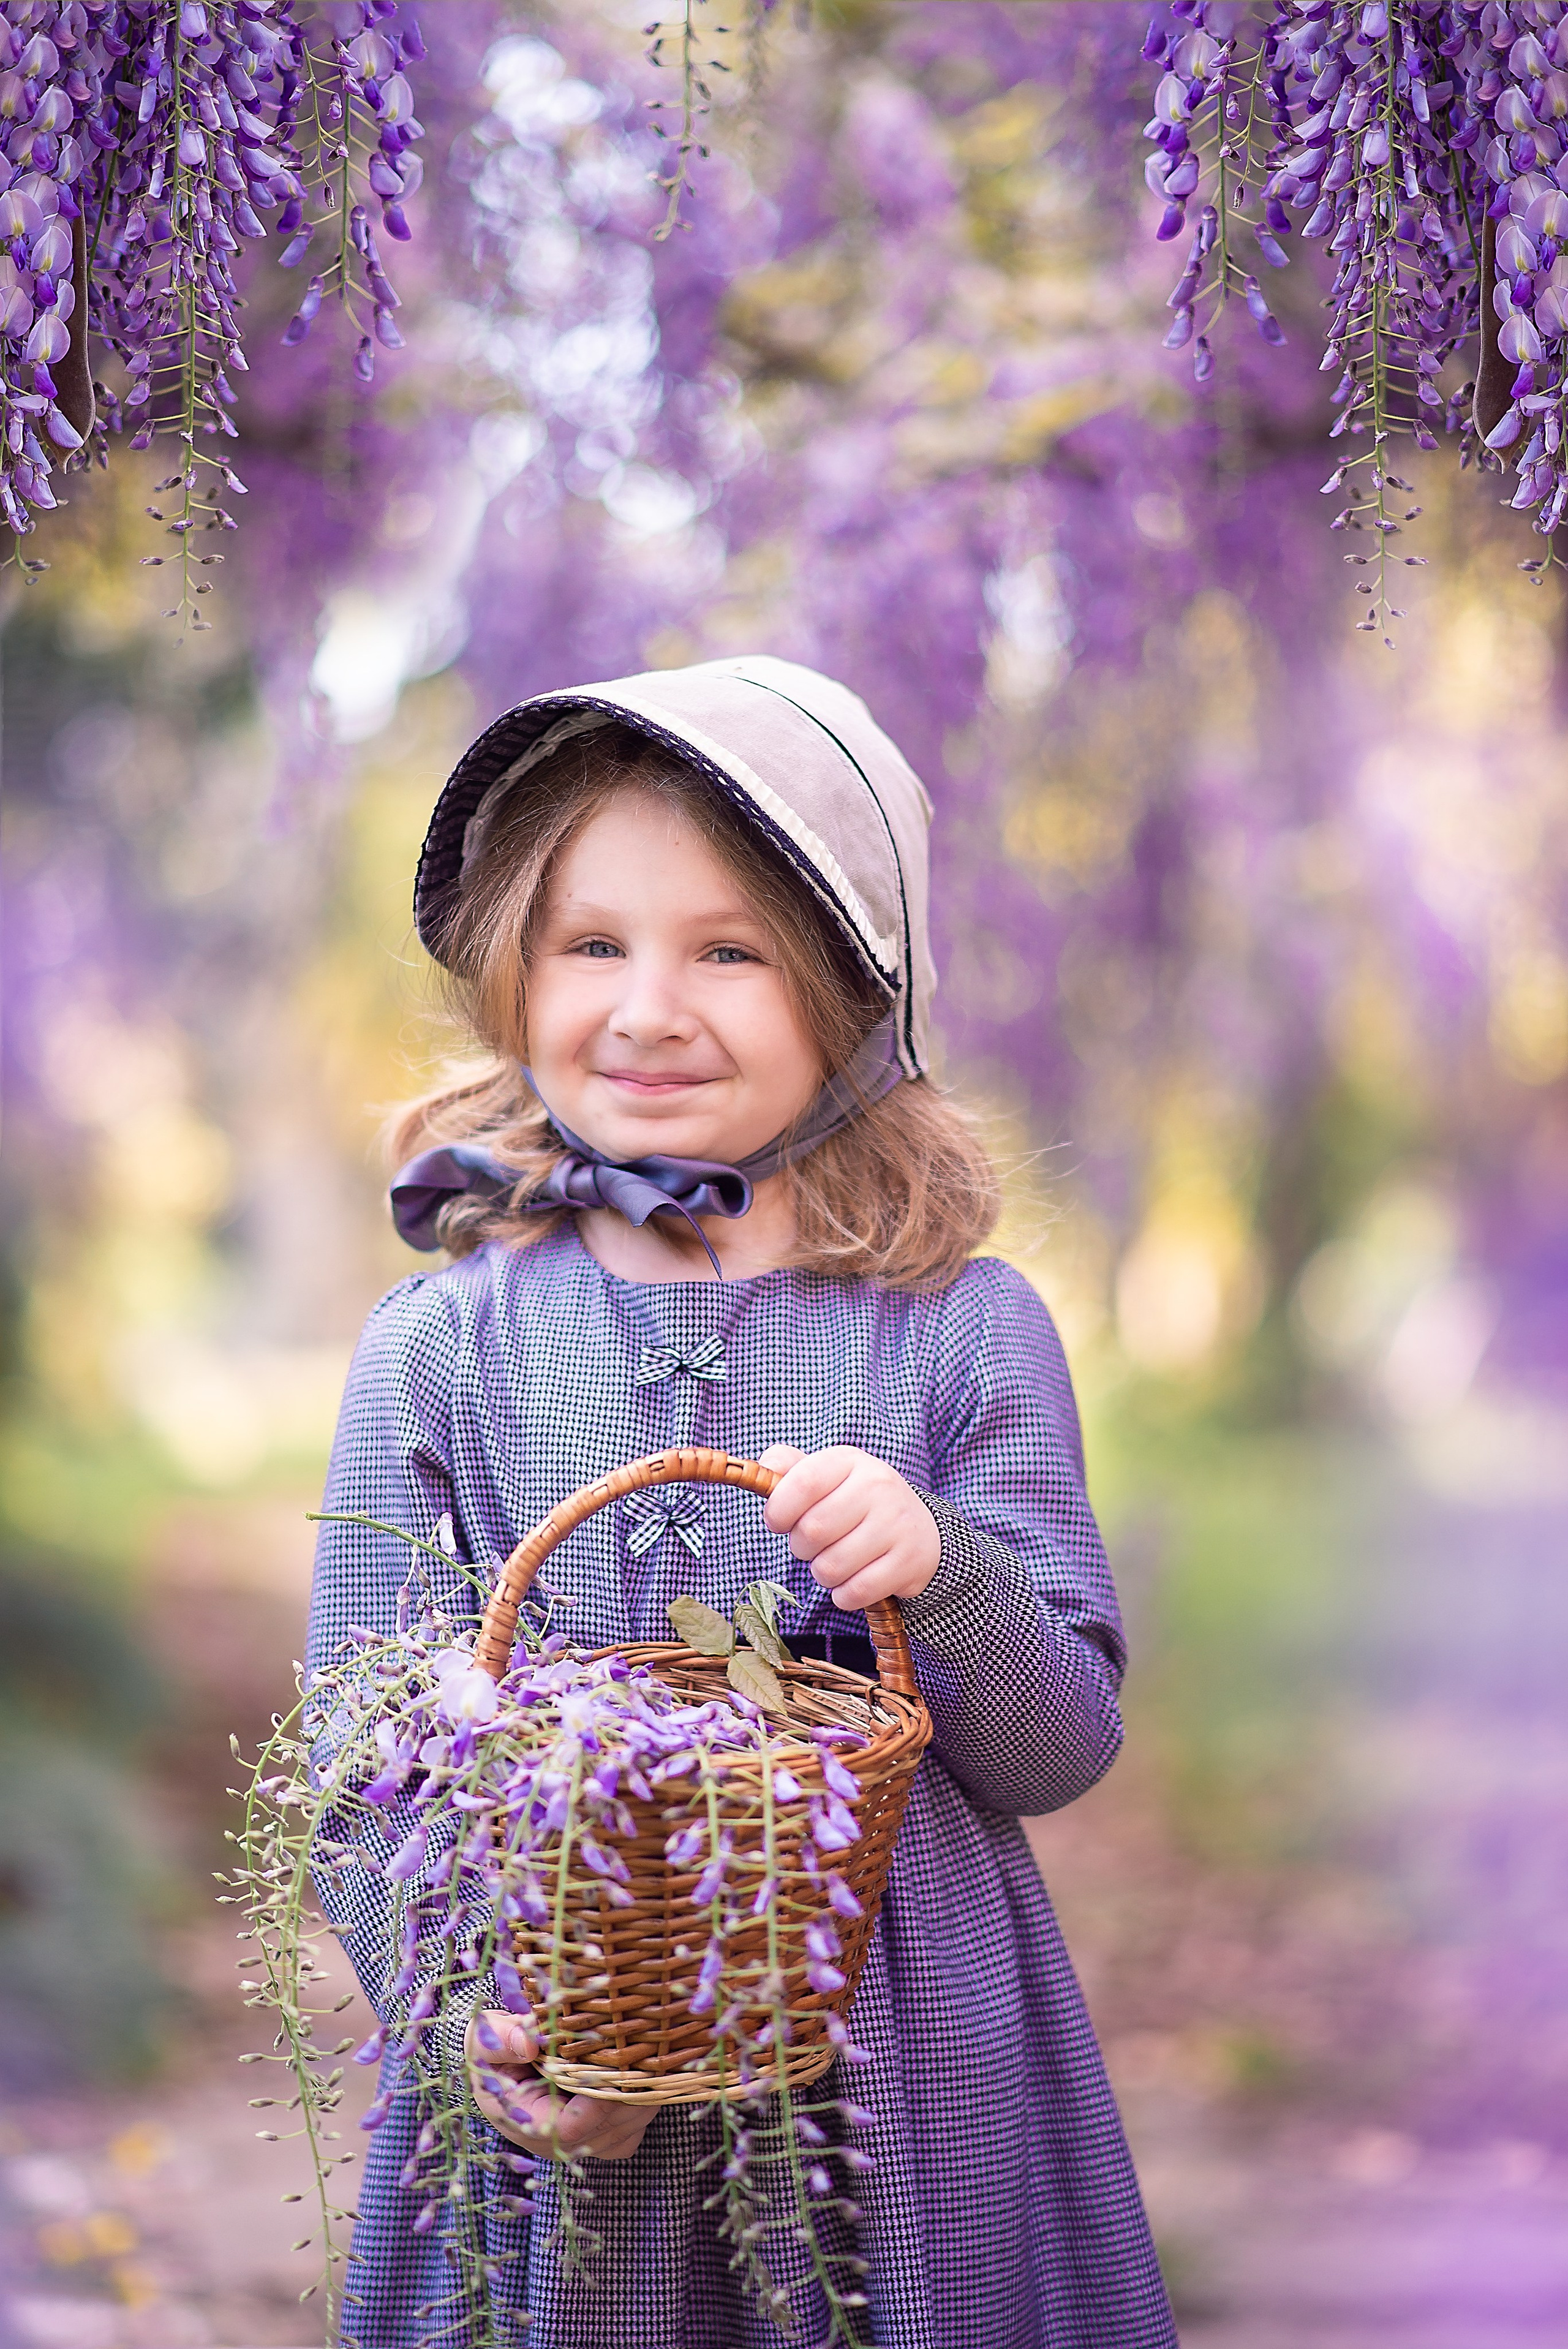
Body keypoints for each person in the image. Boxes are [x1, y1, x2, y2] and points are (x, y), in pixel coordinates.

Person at [307, 655, 1177, 2348]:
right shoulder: (438, 1351)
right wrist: (496, 2016)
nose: (648, 1005)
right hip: (575, 2088)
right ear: (512, 970)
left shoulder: (960, 1328)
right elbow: (366, 1763)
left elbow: (1061, 1742)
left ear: (850, 994)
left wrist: (938, 1567)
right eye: (592, 943)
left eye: (731, 949)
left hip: (902, 2069)